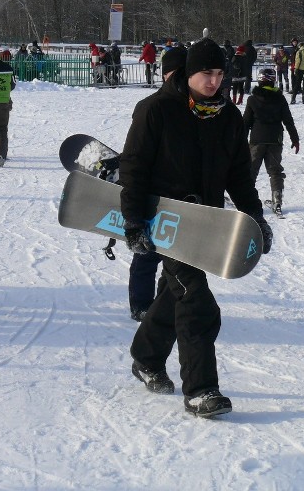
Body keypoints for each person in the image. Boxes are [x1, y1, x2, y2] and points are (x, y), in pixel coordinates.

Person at [119, 37, 272, 417]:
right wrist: (133, 221)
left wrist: (256, 218)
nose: (214, 82)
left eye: (220, 74)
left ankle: (146, 358)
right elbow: (134, 168)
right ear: (188, 72)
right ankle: (201, 390)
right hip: (166, 219)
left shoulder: (228, 116)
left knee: (175, 295)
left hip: (205, 223)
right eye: (206, 73)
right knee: (197, 301)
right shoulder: (157, 110)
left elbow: (239, 177)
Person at [126, 46, 187, 322]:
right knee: (147, 256)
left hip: (183, 196)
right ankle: (140, 305)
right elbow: (137, 156)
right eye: (175, 73)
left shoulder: (196, 106)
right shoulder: (150, 106)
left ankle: (171, 303)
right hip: (154, 194)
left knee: (181, 258)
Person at [243, 68, 300, 216]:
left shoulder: (252, 99)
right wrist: (295, 138)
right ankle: (277, 200)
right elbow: (288, 121)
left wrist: (240, 140)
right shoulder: (280, 99)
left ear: (260, 80)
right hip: (275, 140)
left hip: (257, 140)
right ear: (273, 80)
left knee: (251, 171)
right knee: (275, 171)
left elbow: (246, 122)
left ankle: (247, 201)